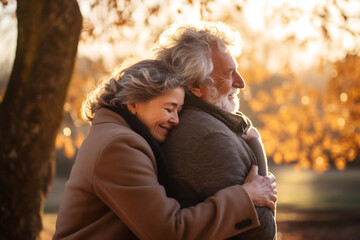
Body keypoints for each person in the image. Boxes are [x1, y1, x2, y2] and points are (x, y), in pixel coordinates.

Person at [53, 59, 269, 240]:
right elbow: (168, 232)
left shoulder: (114, 133)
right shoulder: (118, 146)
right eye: (169, 109)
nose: (175, 120)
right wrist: (244, 197)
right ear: (133, 102)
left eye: (179, 110)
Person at [155, 21, 277, 239]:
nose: (241, 83)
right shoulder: (209, 138)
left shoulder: (205, 124)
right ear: (195, 86)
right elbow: (262, 232)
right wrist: (256, 145)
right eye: (229, 73)